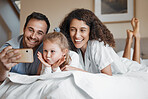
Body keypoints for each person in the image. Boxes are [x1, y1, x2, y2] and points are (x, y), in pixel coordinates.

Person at [59, 8, 146, 75]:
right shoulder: (74, 49)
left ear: (91, 30)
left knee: (134, 63)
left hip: (129, 68)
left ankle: (135, 38)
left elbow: (107, 77)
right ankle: (130, 39)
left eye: (82, 30)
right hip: (120, 61)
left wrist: (79, 71)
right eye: (73, 30)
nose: (77, 35)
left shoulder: (96, 45)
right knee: (122, 59)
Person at [0, 12, 50, 82]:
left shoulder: (48, 50)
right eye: (30, 30)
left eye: (39, 33)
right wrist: (2, 69)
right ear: (24, 29)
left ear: (45, 36)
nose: (33, 36)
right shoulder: (7, 50)